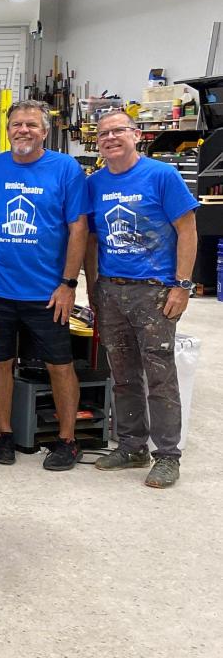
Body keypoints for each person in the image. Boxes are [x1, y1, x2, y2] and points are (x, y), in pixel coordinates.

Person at [84, 109, 198, 489]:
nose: (110, 138)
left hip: (155, 290)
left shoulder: (162, 175)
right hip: (111, 289)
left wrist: (182, 285)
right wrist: (93, 285)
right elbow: (92, 239)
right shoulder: (95, 183)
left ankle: (167, 455)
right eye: (103, 134)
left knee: (160, 374)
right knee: (122, 372)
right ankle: (132, 445)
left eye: (118, 131)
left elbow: (187, 229)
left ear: (136, 135)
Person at [0, 99, 87, 471]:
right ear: (7, 130)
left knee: (60, 365)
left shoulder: (66, 169)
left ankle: (67, 440)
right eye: (17, 124)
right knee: (0, 364)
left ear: (45, 131)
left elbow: (78, 228)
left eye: (31, 125)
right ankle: (4, 434)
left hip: (48, 292)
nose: (23, 130)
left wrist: (68, 283)